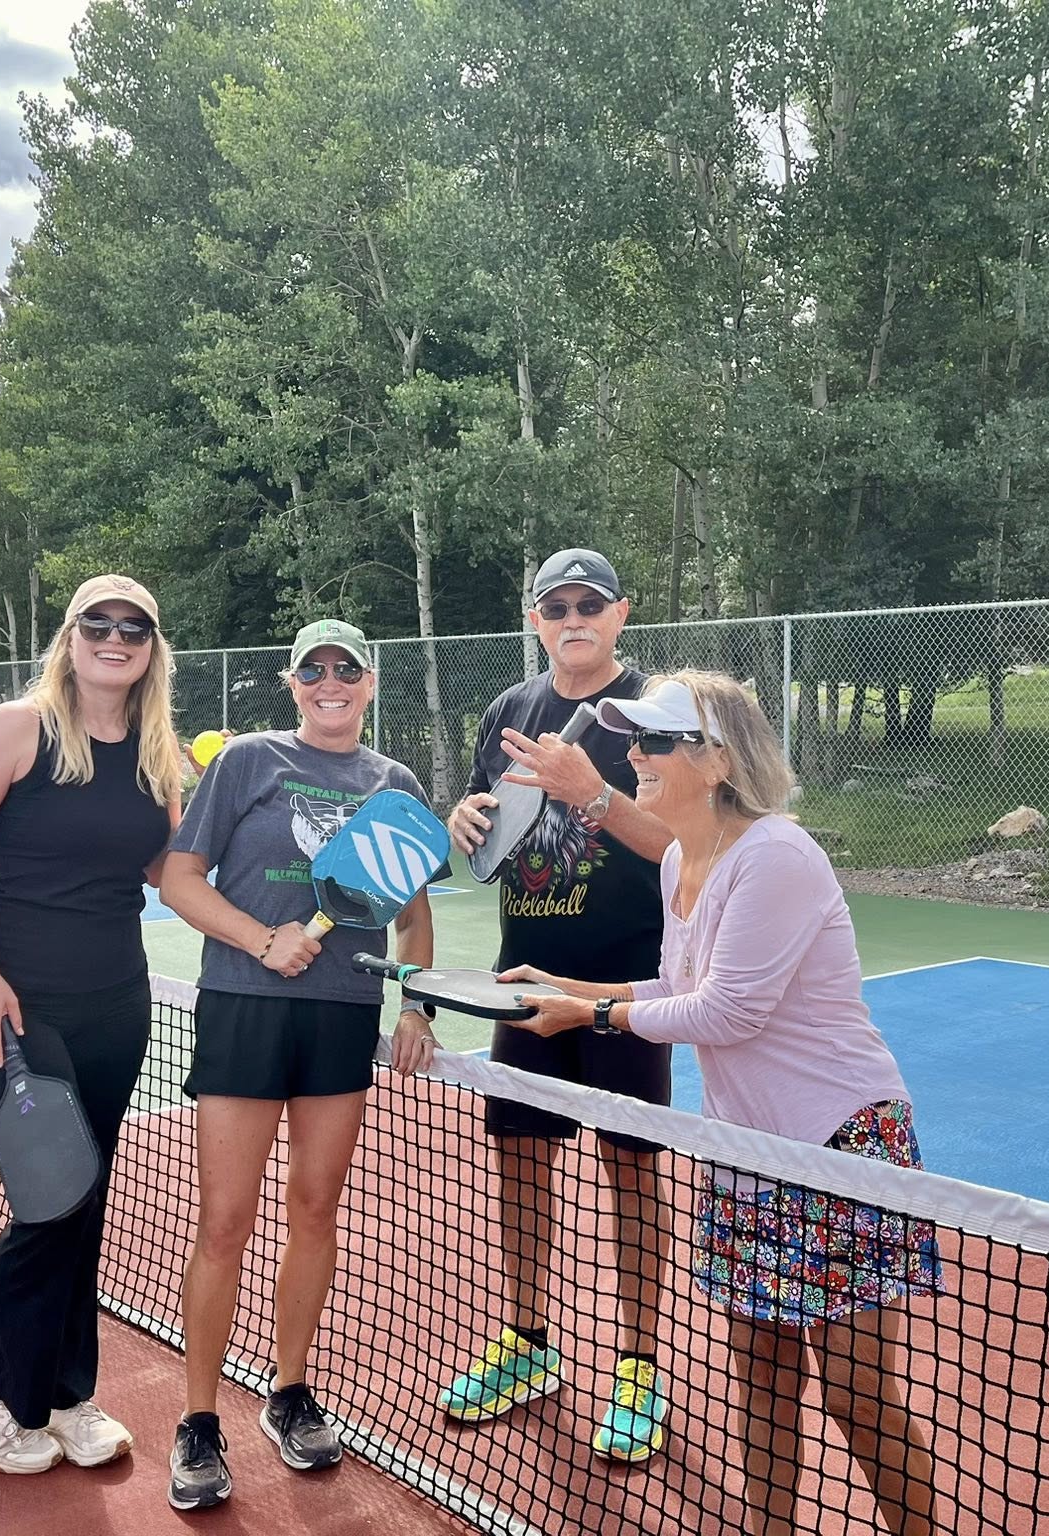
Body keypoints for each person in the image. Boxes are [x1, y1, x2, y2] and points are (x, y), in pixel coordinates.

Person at [502, 670, 943, 1536]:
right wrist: (569, 984)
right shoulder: (679, 861)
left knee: (858, 1394)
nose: (635, 756)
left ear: (716, 759)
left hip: (841, 1143)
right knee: (761, 1374)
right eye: (633, 740)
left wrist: (588, 1012)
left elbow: (728, 1009)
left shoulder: (778, 854)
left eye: (655, 742)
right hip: (746, 1154)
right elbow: (675, 983)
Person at [159, 618, 441, 1512]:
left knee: (315, 1210)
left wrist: (418, 1002)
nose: (331, 683)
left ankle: (288, 1391)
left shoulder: (392, 783)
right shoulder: (246, 761)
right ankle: (199, 1421)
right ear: (292, 682)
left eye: (346, 670)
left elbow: (412, 914)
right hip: (244, 1008)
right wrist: (258, 938)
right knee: (226, 1221)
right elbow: (178, 879)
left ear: (368, 683)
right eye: (314, 670)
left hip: (341, 1017)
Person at [0, 574, 185, 1475]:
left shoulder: (158, 754)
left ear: (153, 647)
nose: (116, 639)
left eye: (135, 627)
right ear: (70, 637)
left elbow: (165, 869)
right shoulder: (18, 728)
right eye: (98, 624)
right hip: (12, 1006)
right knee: (53, 1200)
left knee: (89, 1205)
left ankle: (69, 1394)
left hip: (117, 1003)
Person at [439, 548, 678, 1463]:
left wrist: (595, 795)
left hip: (625, 987)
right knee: (521, 1163)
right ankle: (532, 1345)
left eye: (590, 604)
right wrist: (463, 820)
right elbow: (485, 836)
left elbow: (680, 850)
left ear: (621, 614)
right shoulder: (509, 711)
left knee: (632, 1171)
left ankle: (639, 1365)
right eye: (555, 606)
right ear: (536, 619)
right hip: (523, 983)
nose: (573, 618)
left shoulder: (655, 714)